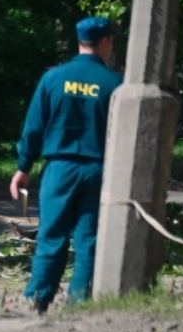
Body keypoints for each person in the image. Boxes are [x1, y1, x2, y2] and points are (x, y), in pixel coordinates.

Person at [10, 16, 123, 314]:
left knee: (51, 235)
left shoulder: (53, 79)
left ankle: (40, 299)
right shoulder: (115, 84)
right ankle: (79, 301)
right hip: (98, 171)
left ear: (79, 41)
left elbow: (34, 127)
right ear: (105, 42)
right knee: (89, 239)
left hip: (58, 170)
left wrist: (23, 168)